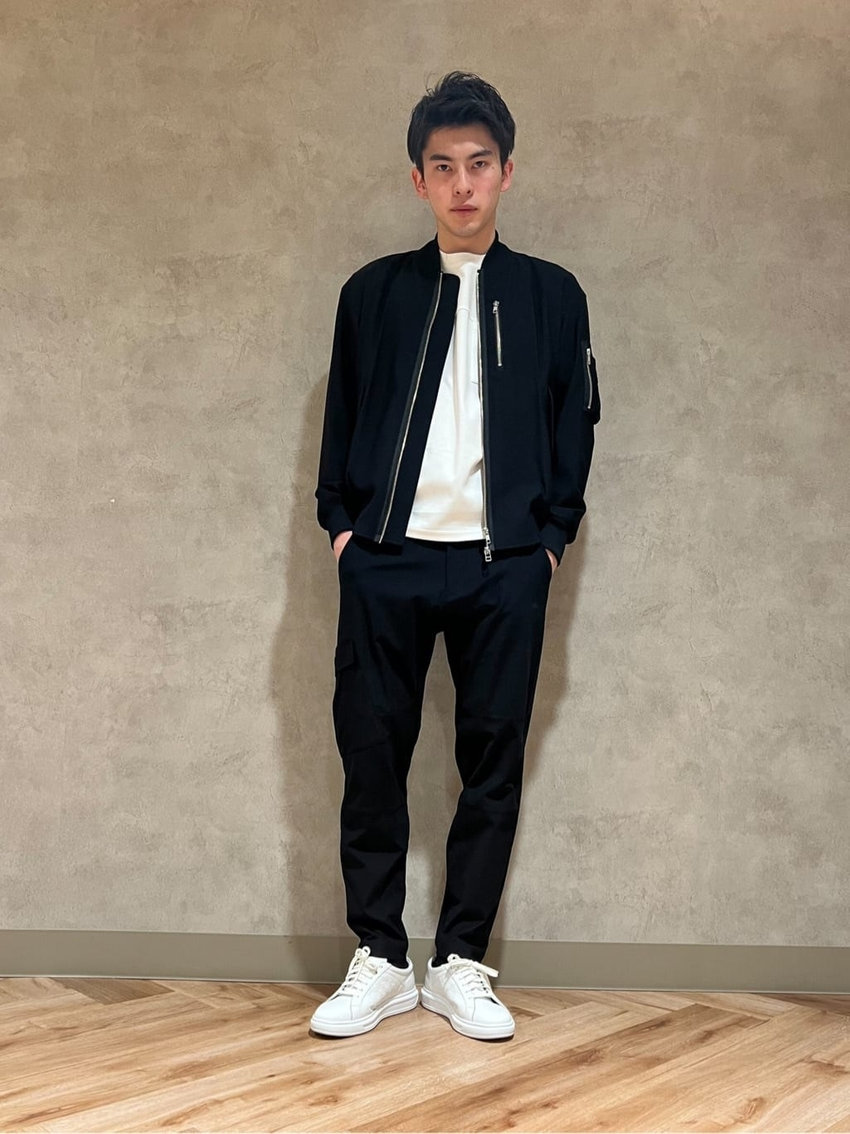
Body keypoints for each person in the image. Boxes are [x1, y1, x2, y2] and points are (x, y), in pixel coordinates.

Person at [312, 71, 600, 1041]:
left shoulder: (552, 295)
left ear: (507, 172)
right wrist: (344, 531)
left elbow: (573, 424)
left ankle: (460, 963)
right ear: (418, 180)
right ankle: (381, 959)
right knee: (370, 760)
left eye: (479, 164)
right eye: (443, 167)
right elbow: (341, 414)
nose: (463, 184)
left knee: (493, 765)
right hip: (386, 558)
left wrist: (548, 543)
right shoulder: (372, 294)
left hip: (502, 566)